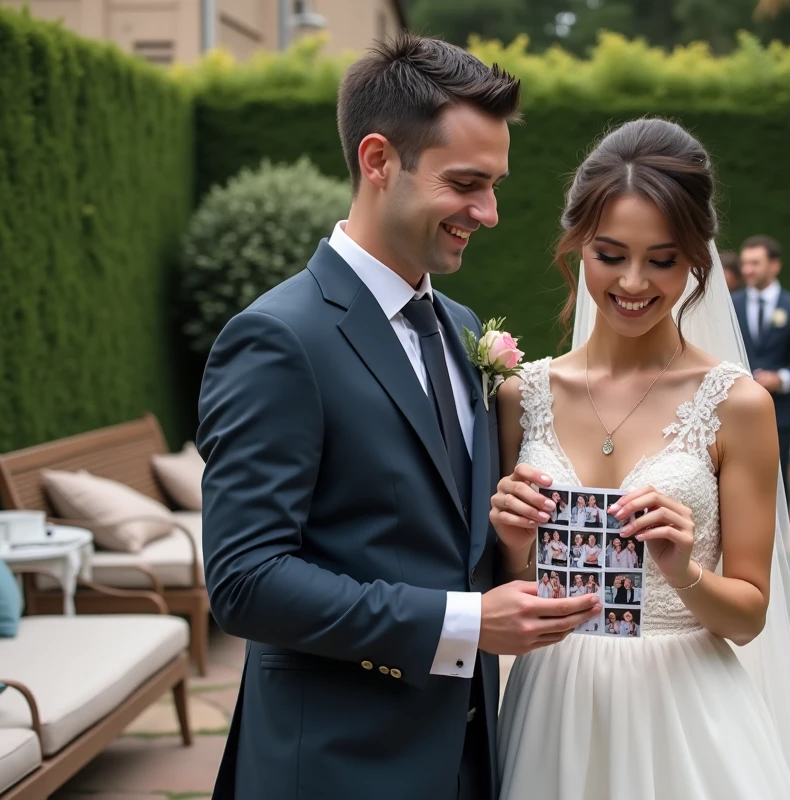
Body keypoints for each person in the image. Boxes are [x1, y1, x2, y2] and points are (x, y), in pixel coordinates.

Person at [196, 34, 600, 800]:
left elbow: (440, 533)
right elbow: (245, 581)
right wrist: (465, 624)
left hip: (466, 756)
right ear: (379, 161)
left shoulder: (460, 326)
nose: (489, 213)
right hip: (334, 767)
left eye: (495, 185)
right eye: (466, 184)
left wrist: (508, 537)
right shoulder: (279, 339)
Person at [490, 118, 790, 799]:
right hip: (553, 708)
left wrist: (686, 570)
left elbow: (749, 616)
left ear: (697, 259)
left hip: (686, 715)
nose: (634, 283)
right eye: (610, 255)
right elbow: (518, 584)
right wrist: (514, 544)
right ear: (577, 245)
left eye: (663, 260)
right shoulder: (521, 396)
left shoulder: (737, 405)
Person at [733, 235, 790, 503]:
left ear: (774, 265)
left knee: (779, 484)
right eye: (745, 263)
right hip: (735, 412)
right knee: (737, 482)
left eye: (755, 263)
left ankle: (783, 545)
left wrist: (781, 379)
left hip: (779, 413)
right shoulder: (731, 305)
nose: (747, 270)